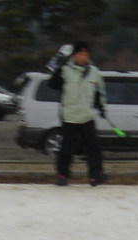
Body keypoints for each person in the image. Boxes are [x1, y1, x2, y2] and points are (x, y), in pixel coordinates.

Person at [47, 41, 109, 187]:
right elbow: (52, 84)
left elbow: (100, 91)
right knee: (67, 148)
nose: (83, 57)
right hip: (69, 116)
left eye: (86, 54)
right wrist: (57, 63)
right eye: (81, 54)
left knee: (93, 146)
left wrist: (102, 106)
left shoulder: (94, 71)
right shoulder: (65, 71)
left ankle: (96, 175)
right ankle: (62, 175)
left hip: (86, 116)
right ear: (74, 55)